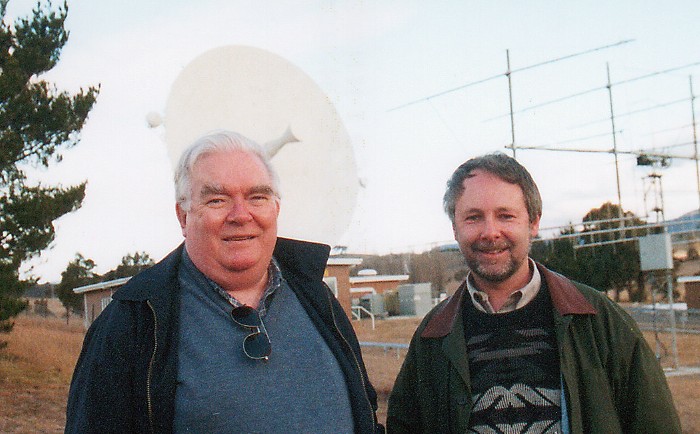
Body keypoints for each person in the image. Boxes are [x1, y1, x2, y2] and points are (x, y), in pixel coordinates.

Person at [66, 130, 383, 433]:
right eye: (217, 200)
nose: (241, 215)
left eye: (257, 197)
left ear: (276, 209)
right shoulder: (131, 323)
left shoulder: (317, 298)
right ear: (183, 217)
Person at [386, 153, 681, 433]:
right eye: (473, 217)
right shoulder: (432, 338)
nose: (490, 232)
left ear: (534, 222)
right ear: (454, 228)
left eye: (505, 216)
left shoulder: (598, 321)